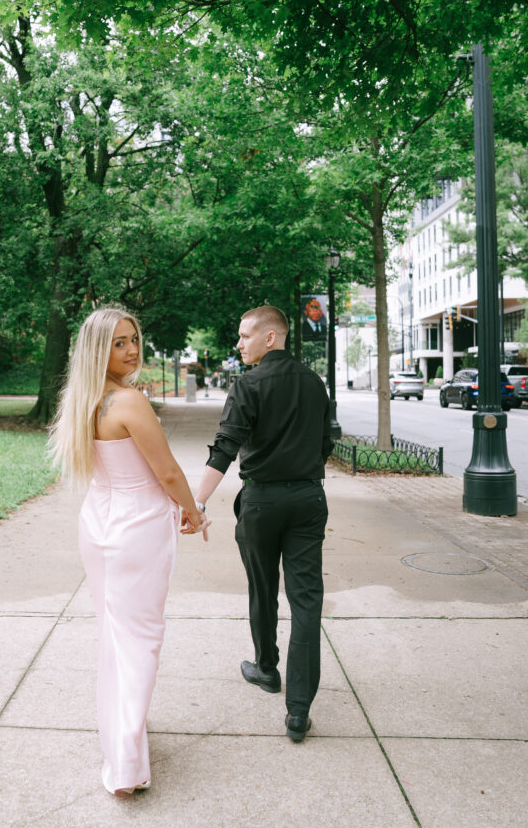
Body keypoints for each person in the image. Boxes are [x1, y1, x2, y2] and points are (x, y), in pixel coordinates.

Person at [49, 306, 207, 797]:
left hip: (99, 526)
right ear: (100, 349)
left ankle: (124, 736)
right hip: (136, 529)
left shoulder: (84, 399)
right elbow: (167, 473)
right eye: (119, 342)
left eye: (134, 338)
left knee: (117, 636)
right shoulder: (130, 401)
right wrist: (194, 511)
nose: (133, 349)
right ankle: (126, 764)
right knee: (140, 639)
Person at [182, 305, 333, 742]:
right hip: (308, 498)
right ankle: (299, 712)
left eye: (245, 335)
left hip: (262, 501)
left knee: (263, 588)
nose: (239, 343)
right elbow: (325, 443)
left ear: (271, 338)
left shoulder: (247, 385)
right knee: (307, 602)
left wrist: (197, 503)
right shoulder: (314, 383)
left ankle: (267, 669)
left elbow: (225, 448)